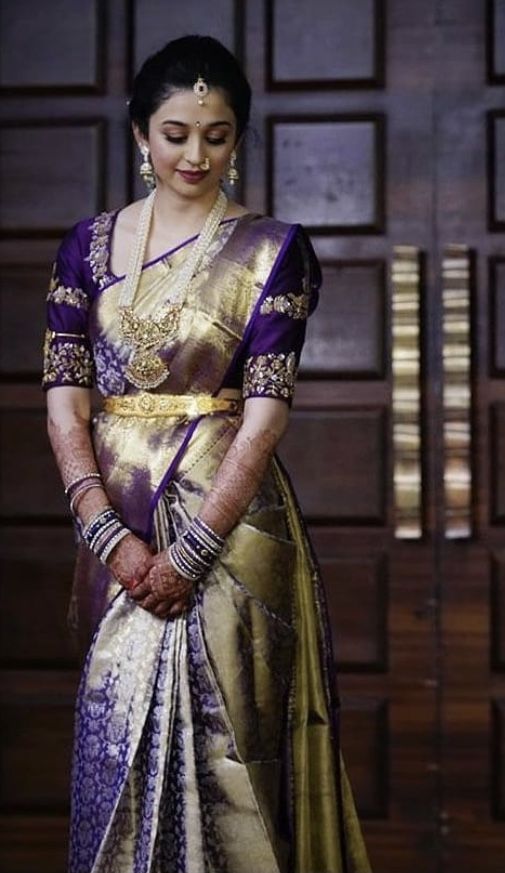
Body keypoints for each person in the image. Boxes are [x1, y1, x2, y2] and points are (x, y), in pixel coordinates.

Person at [43, 34, 371, 873]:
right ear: (140, 137)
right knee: (114, 751)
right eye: (177, 132)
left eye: (217, 134)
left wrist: (190, 551)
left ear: (238, 138)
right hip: (112, 524)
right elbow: (64, 400)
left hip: (229, 534)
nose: (196, 153)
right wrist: (105, 535)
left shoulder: (270, 251)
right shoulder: (85, 247)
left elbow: (263, 420)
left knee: (233, 769)